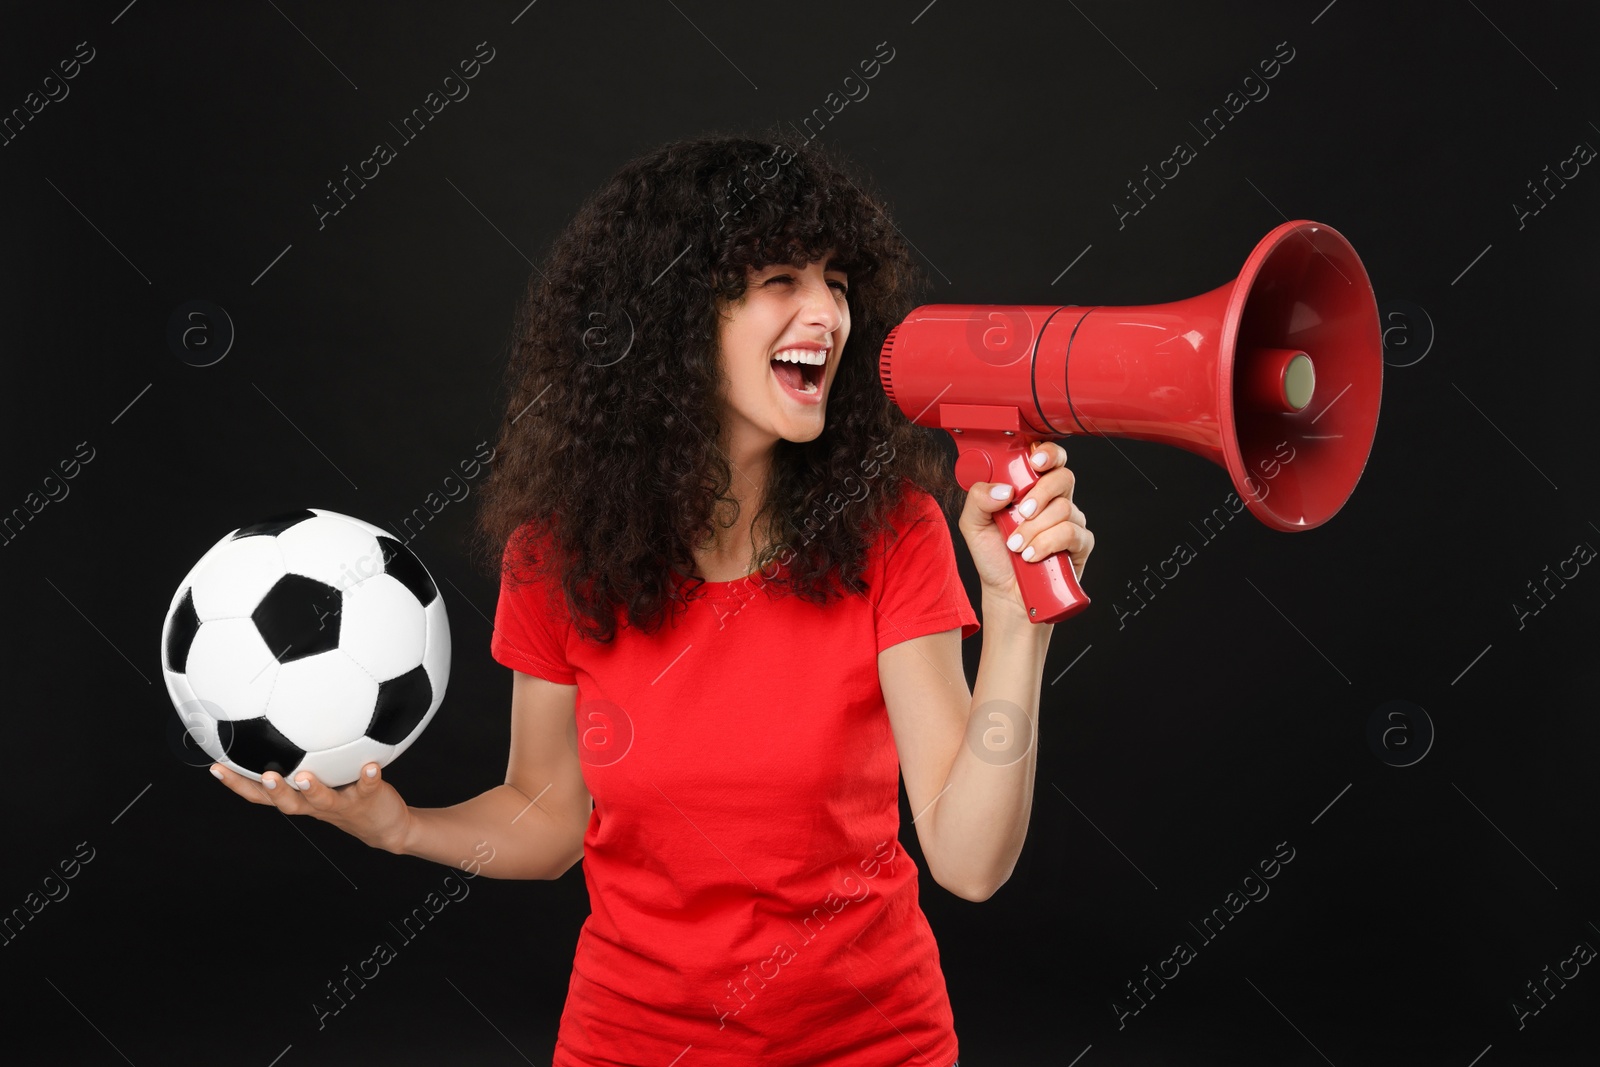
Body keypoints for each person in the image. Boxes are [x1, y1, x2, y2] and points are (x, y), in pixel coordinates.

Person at [211, 131, 1093, 1066]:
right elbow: (548, 817)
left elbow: (969, 860)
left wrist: (1016, 619)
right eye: (780, 281)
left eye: (836, 280)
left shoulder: (894, 532)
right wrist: (399, 829)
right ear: (675, 315)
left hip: (872, 1044)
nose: (828, 313)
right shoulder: (555, 556)